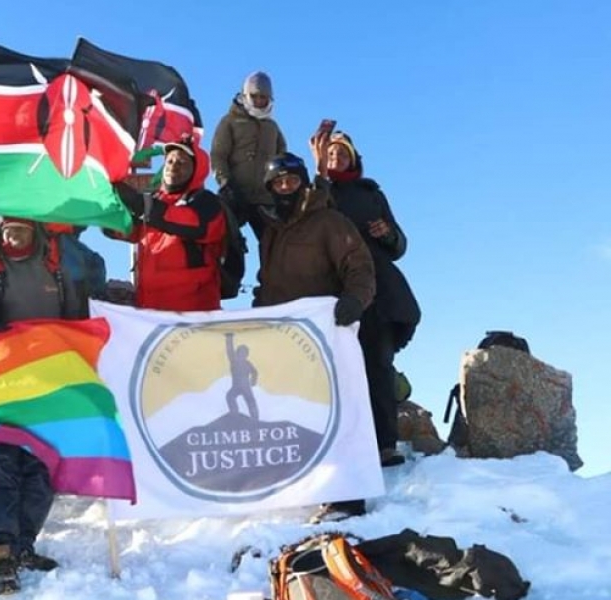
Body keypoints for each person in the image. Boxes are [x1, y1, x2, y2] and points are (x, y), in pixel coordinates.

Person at [251, 151, 378, 524]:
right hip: (284, 338)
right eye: (278, 183)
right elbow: (268, 284)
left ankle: (348, 495)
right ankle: (306, 485)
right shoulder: (272, 232)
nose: (285, 188)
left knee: (336, 412)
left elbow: (359, 264)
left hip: (324, 334)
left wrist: (356, 298)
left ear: (304, 182)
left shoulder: (329, 221)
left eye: (291, 180)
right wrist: (256, 316)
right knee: (292, 412)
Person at [0, 217, 80, 596]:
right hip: (0, 388)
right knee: (1, 468)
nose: (14, 235)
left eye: (22, 228)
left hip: (48, 389)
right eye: (8, 229)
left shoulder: (57, 275)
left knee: (42, 469)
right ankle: (1, 553)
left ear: (36, 232)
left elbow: (77, 326)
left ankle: (23, 545)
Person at [322, 129, 421, 467]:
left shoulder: (370, 192)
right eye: (332, 154)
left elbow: (400, 244)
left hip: (379, 292)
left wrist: (388, 234)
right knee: (338, 370)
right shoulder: (320, 192)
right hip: (334, 289)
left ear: (354, 158)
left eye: (343, 154)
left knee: (378, 365)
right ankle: (343, 445)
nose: (338, 159)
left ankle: (385, 444)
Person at [108, 137, 228, 312]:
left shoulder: (206, 202)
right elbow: (130, 231)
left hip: (193, 313)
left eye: (182, 162)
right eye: (169, 161)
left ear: (196, 170)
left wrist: (142, 205)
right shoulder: (156, 202)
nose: (173, 166)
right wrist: (109, 214)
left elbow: (193, 224)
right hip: (151, 309)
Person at [209, 71, 287, 242]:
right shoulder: (230, 122)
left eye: (263, 98)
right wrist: (225, 183)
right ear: (245, 96)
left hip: (265, 197)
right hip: (235, 193)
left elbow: (282, 158)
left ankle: (271, 268)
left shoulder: (272, 127)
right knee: (223, 237)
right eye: (255, 97)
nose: (259, 101)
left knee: (275, 243)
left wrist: (281, 188)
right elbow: (218, 155)